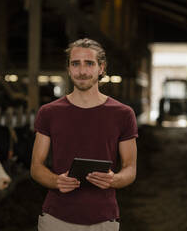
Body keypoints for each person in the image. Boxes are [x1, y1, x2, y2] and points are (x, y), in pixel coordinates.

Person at [30, 38, 138, 231]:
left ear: (101, 68)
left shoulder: (123, 114)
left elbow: (130, 168)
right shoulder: (48, 112)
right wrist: (56, 180)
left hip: (104, 220)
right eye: (75, 64)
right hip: (56, 219)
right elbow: (36, 167)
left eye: (89, 63)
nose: (82, 71)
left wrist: (114, 179)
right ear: (69, 69)